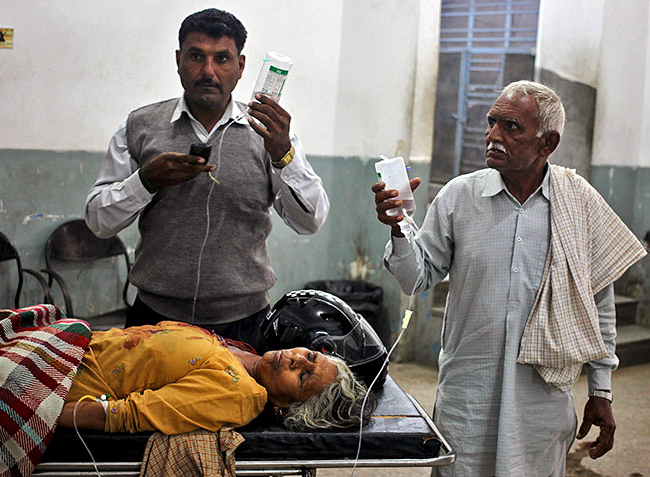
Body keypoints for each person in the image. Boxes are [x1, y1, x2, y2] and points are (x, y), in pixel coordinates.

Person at [372, 80, 646, 476]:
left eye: (511, 127)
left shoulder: (578, 204)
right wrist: (398, 229)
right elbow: (415, 279)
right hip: (468, 393)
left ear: (547, 143)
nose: (493, 136)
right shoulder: (458, 197)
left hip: (542, 397)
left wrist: (601, 390)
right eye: (491, 123)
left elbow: (597, 305)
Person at [84, 8, 329, 353]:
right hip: (154, 320)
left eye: (222, 59)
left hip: (244, 325)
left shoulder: (269, 133)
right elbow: (98, 220)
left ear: (241, 67)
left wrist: (282, 153)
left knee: (238, 408)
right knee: (142, 408)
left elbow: (311, 220)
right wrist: (147, 180)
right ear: (178, 60)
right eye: (196, 56)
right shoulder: (140, 126)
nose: (208, 71)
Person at [59, 321, 370, 434]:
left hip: (61, 380)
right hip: (69, 346)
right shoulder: (245, 353)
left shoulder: (239, 395)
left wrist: (39, 411)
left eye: (303, 377)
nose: (296, 359)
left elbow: (126, 415)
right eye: (310, 356)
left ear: (288, 408)